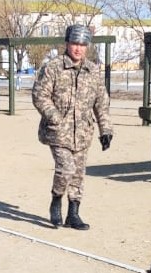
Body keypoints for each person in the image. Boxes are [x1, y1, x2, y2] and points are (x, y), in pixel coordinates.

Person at [32, 24, 113, 231]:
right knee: (66, 168)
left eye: (82, 45)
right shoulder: (53, 67)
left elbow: (101, 103)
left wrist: (106, 130)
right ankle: (56, 199)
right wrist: (55, 118)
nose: (78, 48)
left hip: (83, 132)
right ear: (67, 43)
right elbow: (40, 95)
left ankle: (73, 214)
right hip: (58, 131)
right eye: (74, 43)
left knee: (78, 174)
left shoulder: (93, 71)